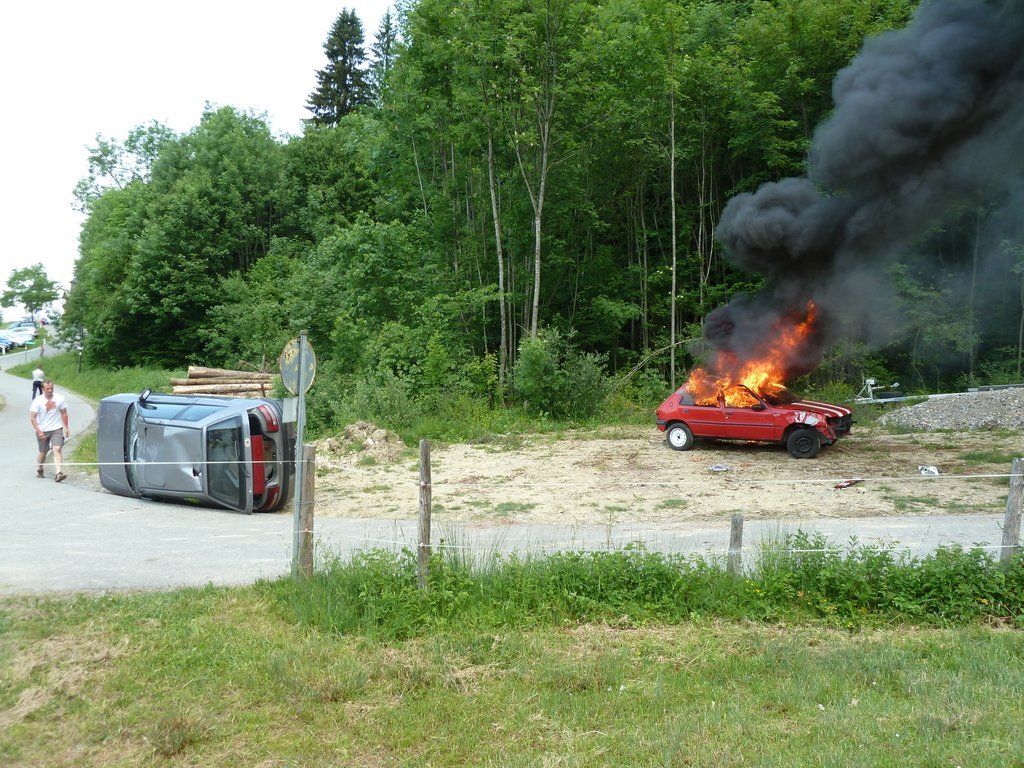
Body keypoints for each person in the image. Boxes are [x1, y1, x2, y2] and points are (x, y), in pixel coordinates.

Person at [29, 379, 70, 482]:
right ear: (43, 389)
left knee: (57, 449)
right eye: (47, 389)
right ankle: (40, 468)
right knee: (43, 451)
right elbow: (33, 418)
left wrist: (66, 427)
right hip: (42, 429)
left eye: (51, 388)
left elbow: (64, 413)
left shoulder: (60, 398)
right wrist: (39, 431)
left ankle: (58, 473)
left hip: (56, 428)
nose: (50, 390)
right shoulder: (37, 401)